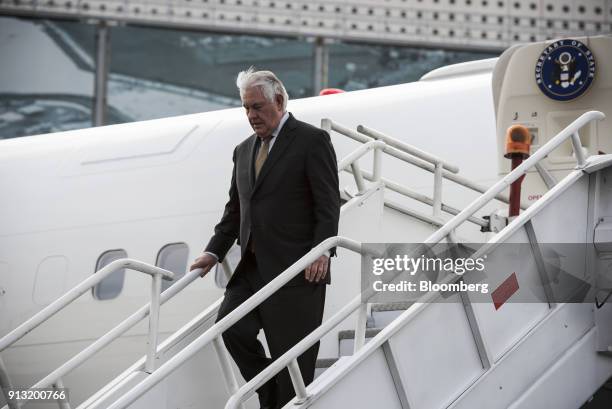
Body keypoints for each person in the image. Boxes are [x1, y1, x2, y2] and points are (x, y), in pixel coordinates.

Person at [190, 67, 340, 409]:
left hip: (298, 270)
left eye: (257, 107)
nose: (251, 115)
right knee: (231, 328)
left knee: (295, 361)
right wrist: (212, 252)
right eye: (246, 108)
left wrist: (322, 251)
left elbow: (327, 203)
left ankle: (277, 397)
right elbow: (235, 211)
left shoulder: (311, 141)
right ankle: (269, 389)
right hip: (252, 267)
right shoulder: (243, 151)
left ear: (280, 100)